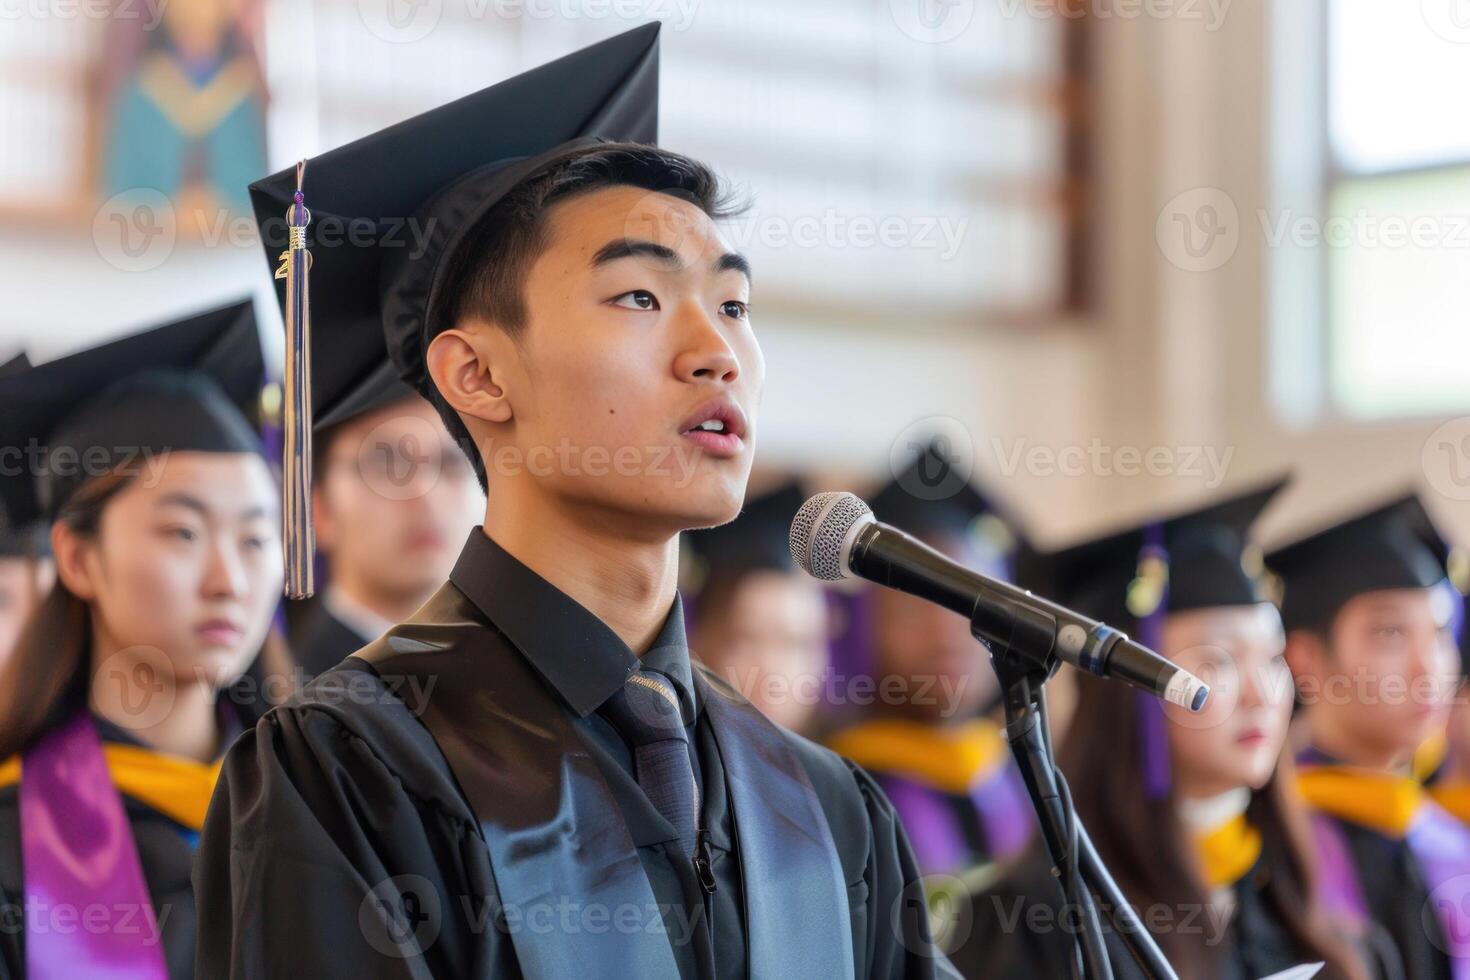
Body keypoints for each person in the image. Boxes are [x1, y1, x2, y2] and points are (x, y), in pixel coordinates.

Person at [196, 26, 955, 978]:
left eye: (732, 305)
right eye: (639, 297)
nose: (714, 350)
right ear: (476, 374)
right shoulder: (350, 772)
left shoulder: (824, 802)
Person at [951, 476, 1366, 979]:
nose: (1262, 695)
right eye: (1220, 660)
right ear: (1129, 692)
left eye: (1272, 658)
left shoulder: (1307, 910)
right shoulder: (1035, 925)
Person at [0, 300, 283, 978]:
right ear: (76, 558)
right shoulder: (12, 841)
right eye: (183, 532)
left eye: (254, 538)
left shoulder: (329, 807)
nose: (230, 580)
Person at [1270, 492, 1470, 978]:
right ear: (1306, 659)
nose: (1429, 668)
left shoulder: (1443, 836)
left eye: (1440, 632)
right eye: (1391, 634)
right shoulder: (1271, 854)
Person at [826, 441, 1036, 877]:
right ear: (862, 627)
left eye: (966, 609)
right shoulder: (835, 790)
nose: (946, 637)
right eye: (911, 609)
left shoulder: (1027, 776)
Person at [284, 368, 483, 678]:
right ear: (317, 510)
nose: (425, 494)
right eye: (387, 465)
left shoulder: (512, 670)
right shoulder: (298, 699)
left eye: (450, 462)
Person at [682, 480, 831, 735]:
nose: (771, 671)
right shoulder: (675, 766)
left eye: (797, 643)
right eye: (746, 640)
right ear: (697, 641)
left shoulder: (846, 769)